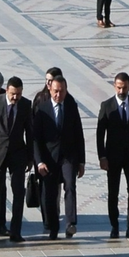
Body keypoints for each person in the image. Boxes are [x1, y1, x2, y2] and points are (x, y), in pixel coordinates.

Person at [97, 72, 129, 238]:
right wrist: (102, 156)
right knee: (113, 192)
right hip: (113, 156)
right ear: (114, 86)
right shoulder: (106, 106)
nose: (121, 91)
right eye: (119, 87)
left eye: (124, 87)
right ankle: (114, 225)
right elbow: (100, 134)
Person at [34, 75, 85, 240]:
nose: (58, 95)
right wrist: (39, 161)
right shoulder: (42, 110)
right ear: (50, 89)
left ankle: (70, 223)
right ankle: (53, 227)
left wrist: (82, 161)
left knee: (70, 186)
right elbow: (36, 139)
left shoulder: (71, 106)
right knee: (50, 193)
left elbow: (79, 134)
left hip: (68, 157)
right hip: (49, 159)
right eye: (56, 91)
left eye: (62, 91)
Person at [0, 76, 33, 242]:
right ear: (7, 90)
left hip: (17, 154)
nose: (15, 97)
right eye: (13, 94)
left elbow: (30, 132)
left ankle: (16, 231)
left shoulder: (26, 105)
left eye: (18, 94)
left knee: (18, 192)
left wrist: (30, 157)